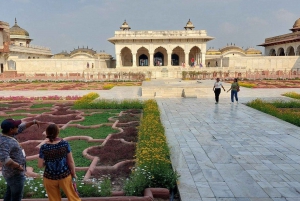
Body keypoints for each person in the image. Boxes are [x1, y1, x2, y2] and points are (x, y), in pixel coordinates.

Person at [0, 118, 40, 201]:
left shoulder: (8, 134)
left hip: (11, 173)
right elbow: (5, 159)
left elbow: (22, 127)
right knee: (16, 197)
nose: (18, 127)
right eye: (16, 126)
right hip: (14, 174)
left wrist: (33, 122)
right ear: (11, 129)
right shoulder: (5, 142)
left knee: (10, 193)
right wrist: (18, 166)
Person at [38, 124, 81, 201]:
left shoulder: (43, 147)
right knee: (73, 197)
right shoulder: (64, 144)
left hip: (49, 177)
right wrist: (73, 174)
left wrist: (48, 162)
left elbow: (40, 165)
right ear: (58, 132)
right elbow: (70, 161)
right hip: (64, 175)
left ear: (47, 133)